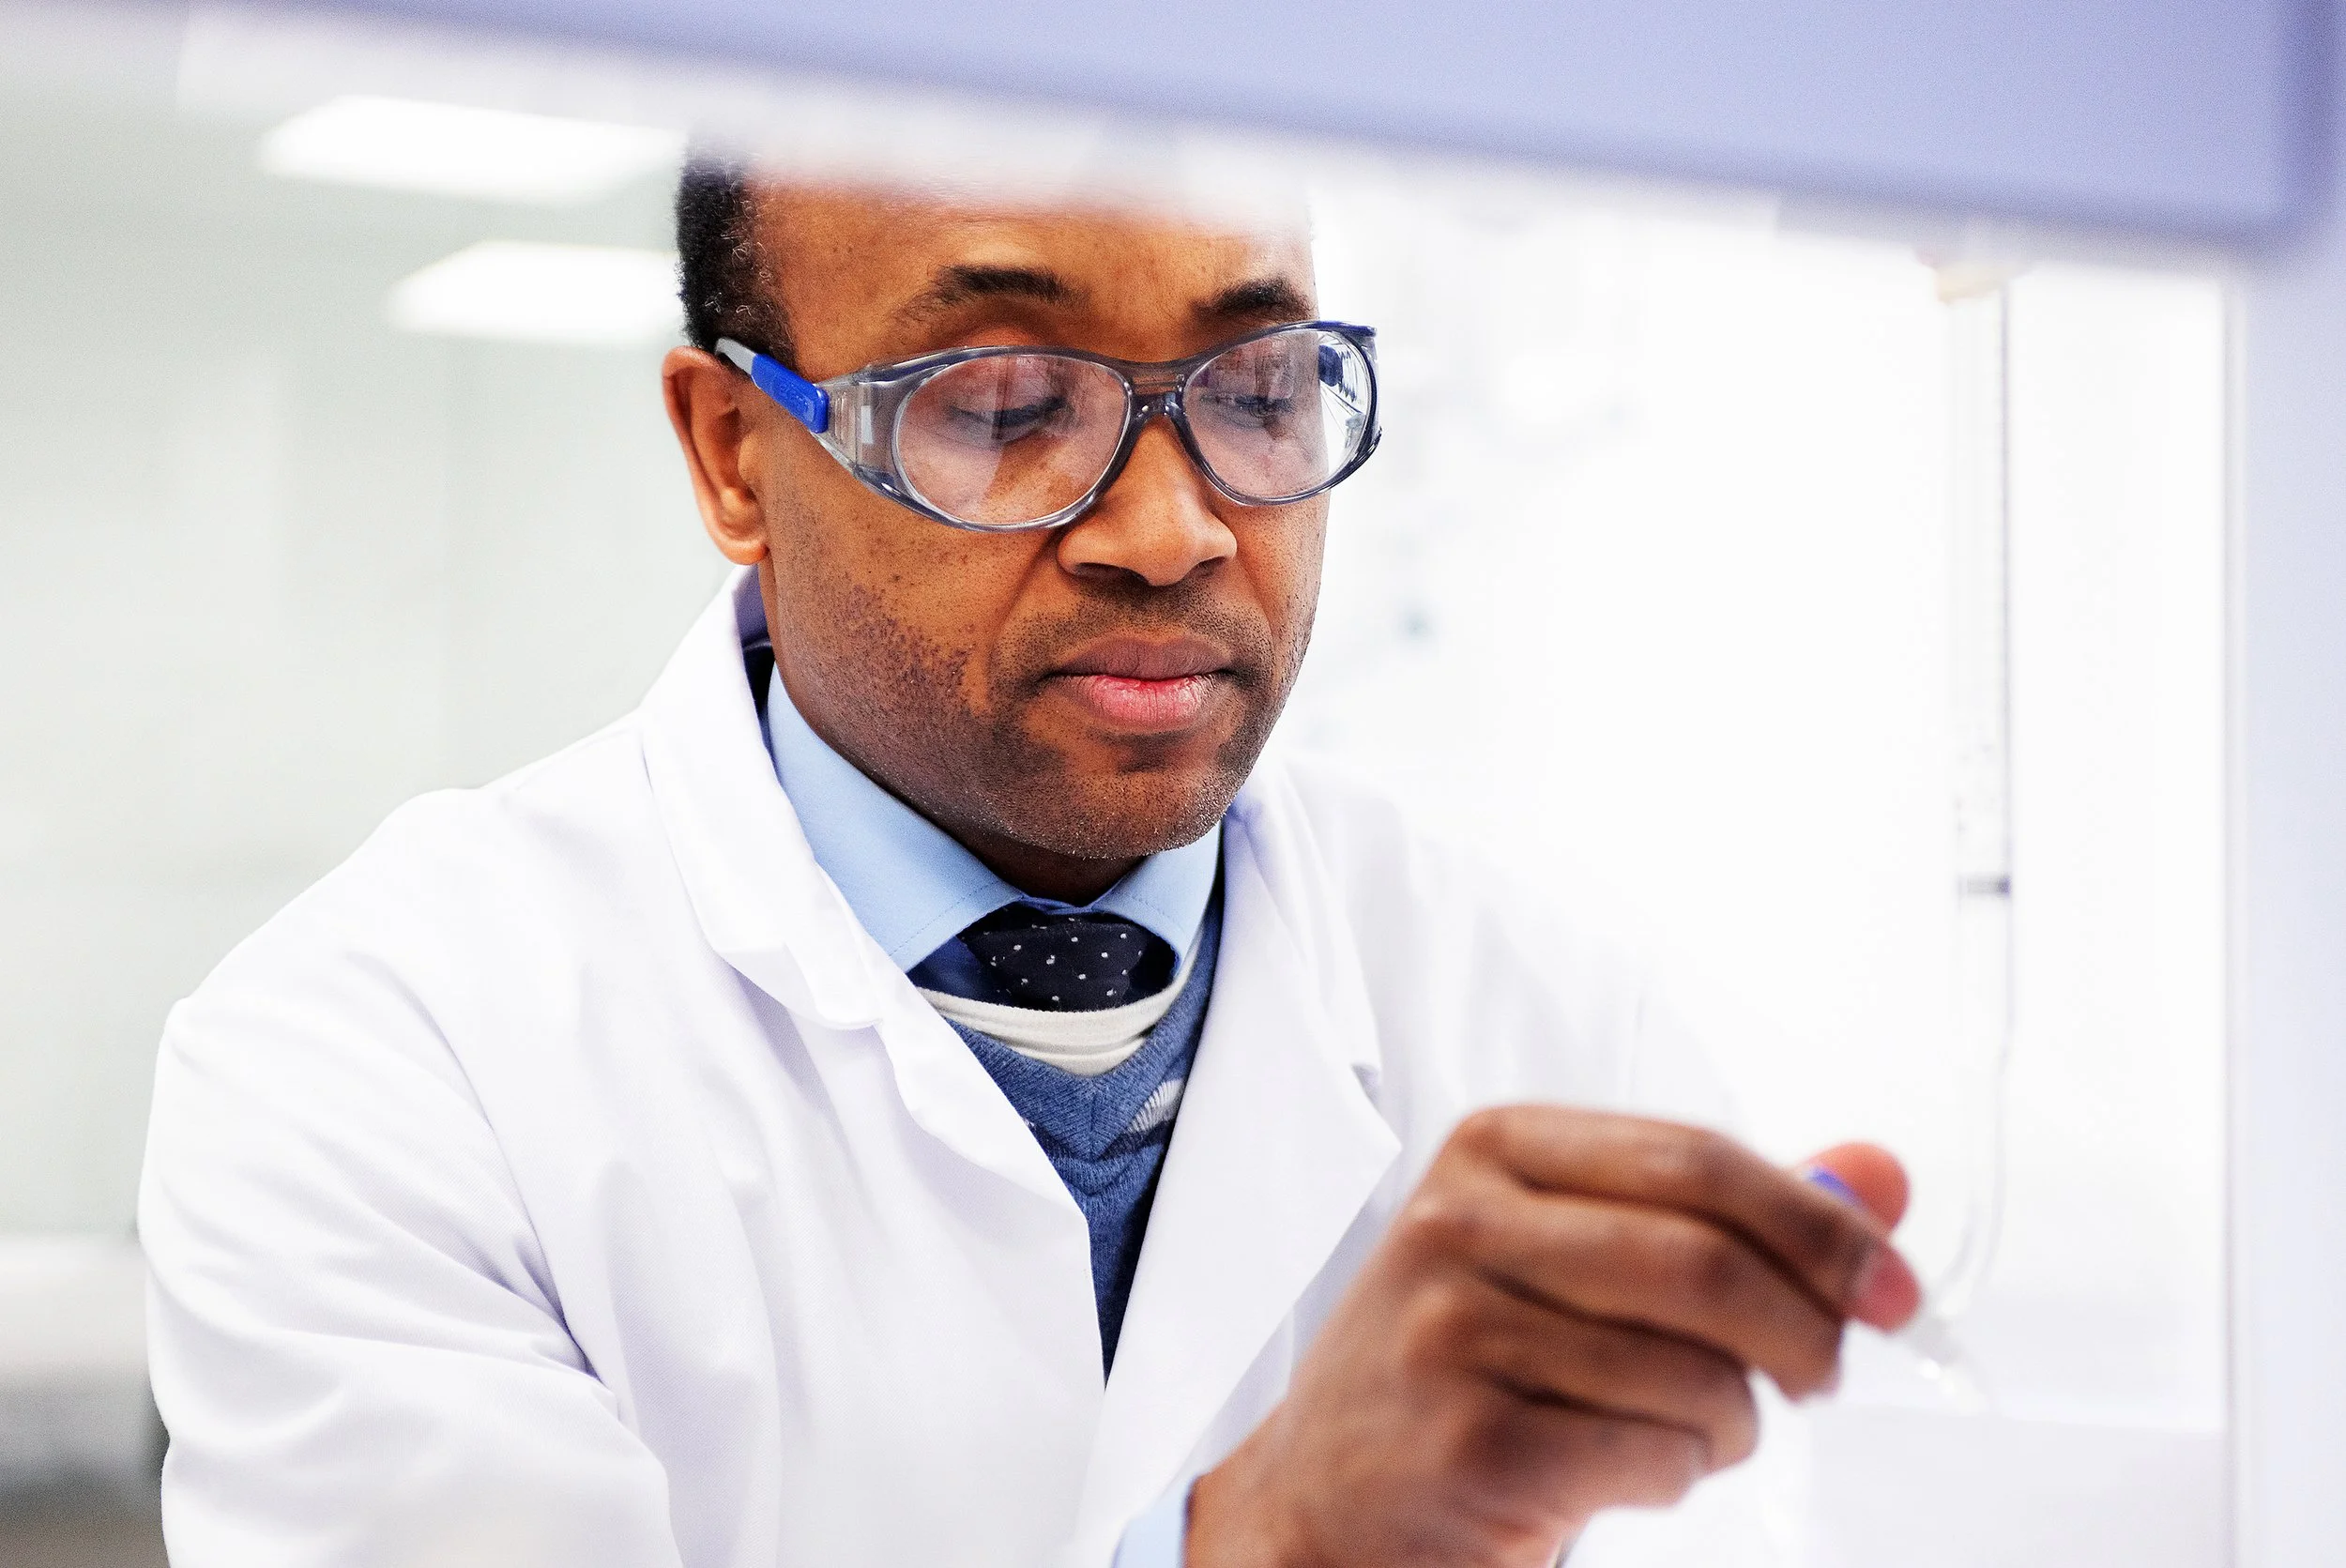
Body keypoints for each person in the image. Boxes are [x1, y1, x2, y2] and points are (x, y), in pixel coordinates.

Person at [139, 160, 1922, 1568]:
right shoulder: (373, 1060)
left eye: (1260, 389)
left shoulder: (1537, 1003)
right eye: (1000, 405)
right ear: (732, 449)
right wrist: (1272, 1546)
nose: (1172, 528)